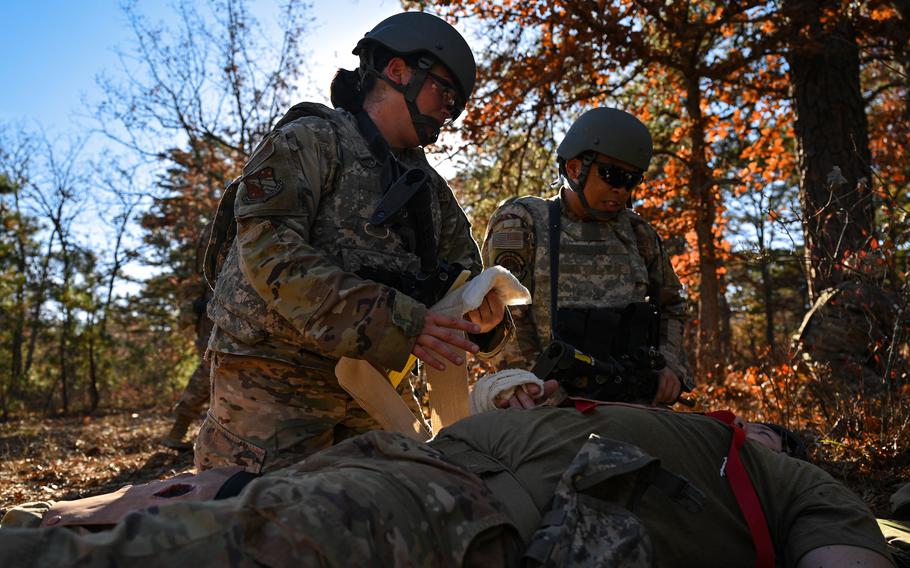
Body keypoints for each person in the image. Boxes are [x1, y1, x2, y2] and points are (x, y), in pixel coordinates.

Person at [0, 405, 892, 567]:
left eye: (771, 425)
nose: (751, 420)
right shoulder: (629, 407)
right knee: (158, 501)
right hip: (380, 460)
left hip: (461, 513)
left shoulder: (784, 477)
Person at [196, 11, 509, 474]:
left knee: (370, 530)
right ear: (398, 71)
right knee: (255, 530)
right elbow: (269, 253)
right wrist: (399, 322)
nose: (450, 110)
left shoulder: (432, 192)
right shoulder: (310, 141)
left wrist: (487, 324)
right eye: (445, 90)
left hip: (374, 398)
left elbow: (467, 280)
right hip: (272, 385)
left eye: (458, 103)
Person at [482, 107, 691, 407]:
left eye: (632, 180)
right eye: (612, 174)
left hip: (633, 408)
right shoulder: (523, 222)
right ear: (574, 168)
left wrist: (670, 363)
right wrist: (533, 388)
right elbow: (503, 314)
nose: (621, 189)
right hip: (546, 408)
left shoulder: (639, 234)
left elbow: (672, 305)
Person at [161, 226, 215, 450]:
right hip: (213, 315)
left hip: (219, 310)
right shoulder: (216, 224)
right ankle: (178, 430)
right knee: (208, 368)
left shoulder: (217, 222)